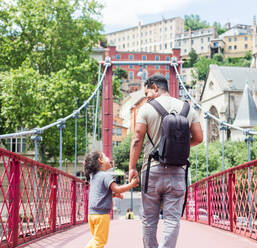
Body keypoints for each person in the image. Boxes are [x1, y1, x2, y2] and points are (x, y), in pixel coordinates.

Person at [128, 74, 203, 248]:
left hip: (151, 170)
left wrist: (132, 168)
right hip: (178, 170)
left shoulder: (146, 109)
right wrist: (178, 149)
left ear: (155, 87)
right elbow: (199, 138)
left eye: (147, 93)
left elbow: (137, 139)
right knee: (172, 220)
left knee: (149, 220)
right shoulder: (187, 108)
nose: (147, 98)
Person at [84, 151, 139, 248]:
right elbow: (117, 188)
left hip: (91, 215)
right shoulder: (105, 176)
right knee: (100, 241)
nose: (109, 158)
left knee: (96, 240)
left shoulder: (94, 177)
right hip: (101, 215)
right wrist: (131, 185)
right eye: (105, 156)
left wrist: (113, 195)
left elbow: (100, 195)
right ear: (100, 160)